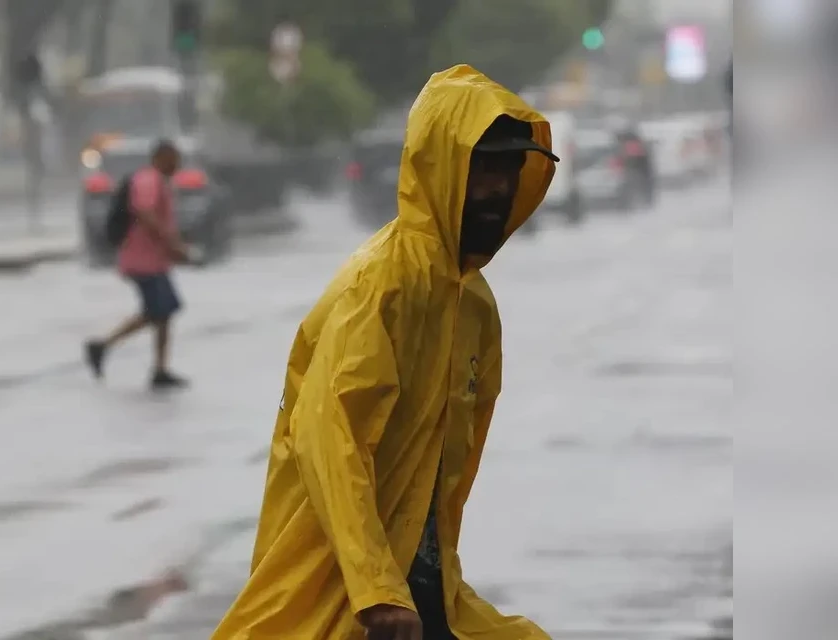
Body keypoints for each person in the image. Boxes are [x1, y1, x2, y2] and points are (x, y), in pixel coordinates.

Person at [210, 65, 560, 640]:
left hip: (419, 588)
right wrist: (375, 590)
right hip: (339, 589)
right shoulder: (381, 285)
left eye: (506, 170)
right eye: (481, 169)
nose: (497, 189)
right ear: (440, 168)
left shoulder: (472, 305)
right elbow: (331, 435)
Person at [84, 139, 191, 390]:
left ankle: (160, 369)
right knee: (158, 311)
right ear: (161, 158)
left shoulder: (158, 181)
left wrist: (171, 248)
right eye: (174, 159)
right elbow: (145, 213)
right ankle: (102, 346)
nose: (178, 165)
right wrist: (172, 243)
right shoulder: (148, 180)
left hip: (153, 261)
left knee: (163, 311)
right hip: (142, 261)